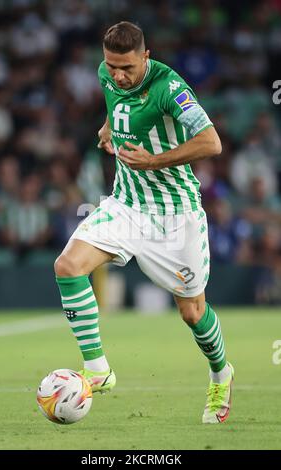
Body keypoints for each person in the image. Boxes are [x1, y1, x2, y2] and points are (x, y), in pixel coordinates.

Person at [54, 21, 234, 424]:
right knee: (67, 267)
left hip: (176, 216)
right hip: (127, 205)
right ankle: (99, 370)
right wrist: (107, 130)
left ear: (146, 57)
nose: (118, 75)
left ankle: (221, 372)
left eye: (127, 68)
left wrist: (152, 160)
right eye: (112, 66)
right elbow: (113, 105)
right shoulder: (107, 74)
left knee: (192, 312)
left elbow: (212, 142)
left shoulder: (171, 89)